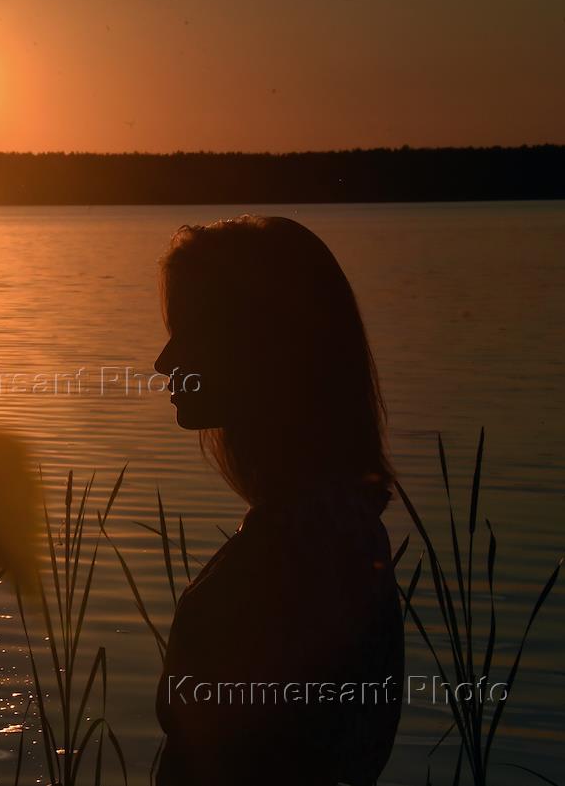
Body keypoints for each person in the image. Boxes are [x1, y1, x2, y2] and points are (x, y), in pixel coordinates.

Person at [153, 216, 404, 785]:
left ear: (257, 345)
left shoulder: (290, 556)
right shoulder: (338, 527)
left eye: (189, 331)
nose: (165, 362)